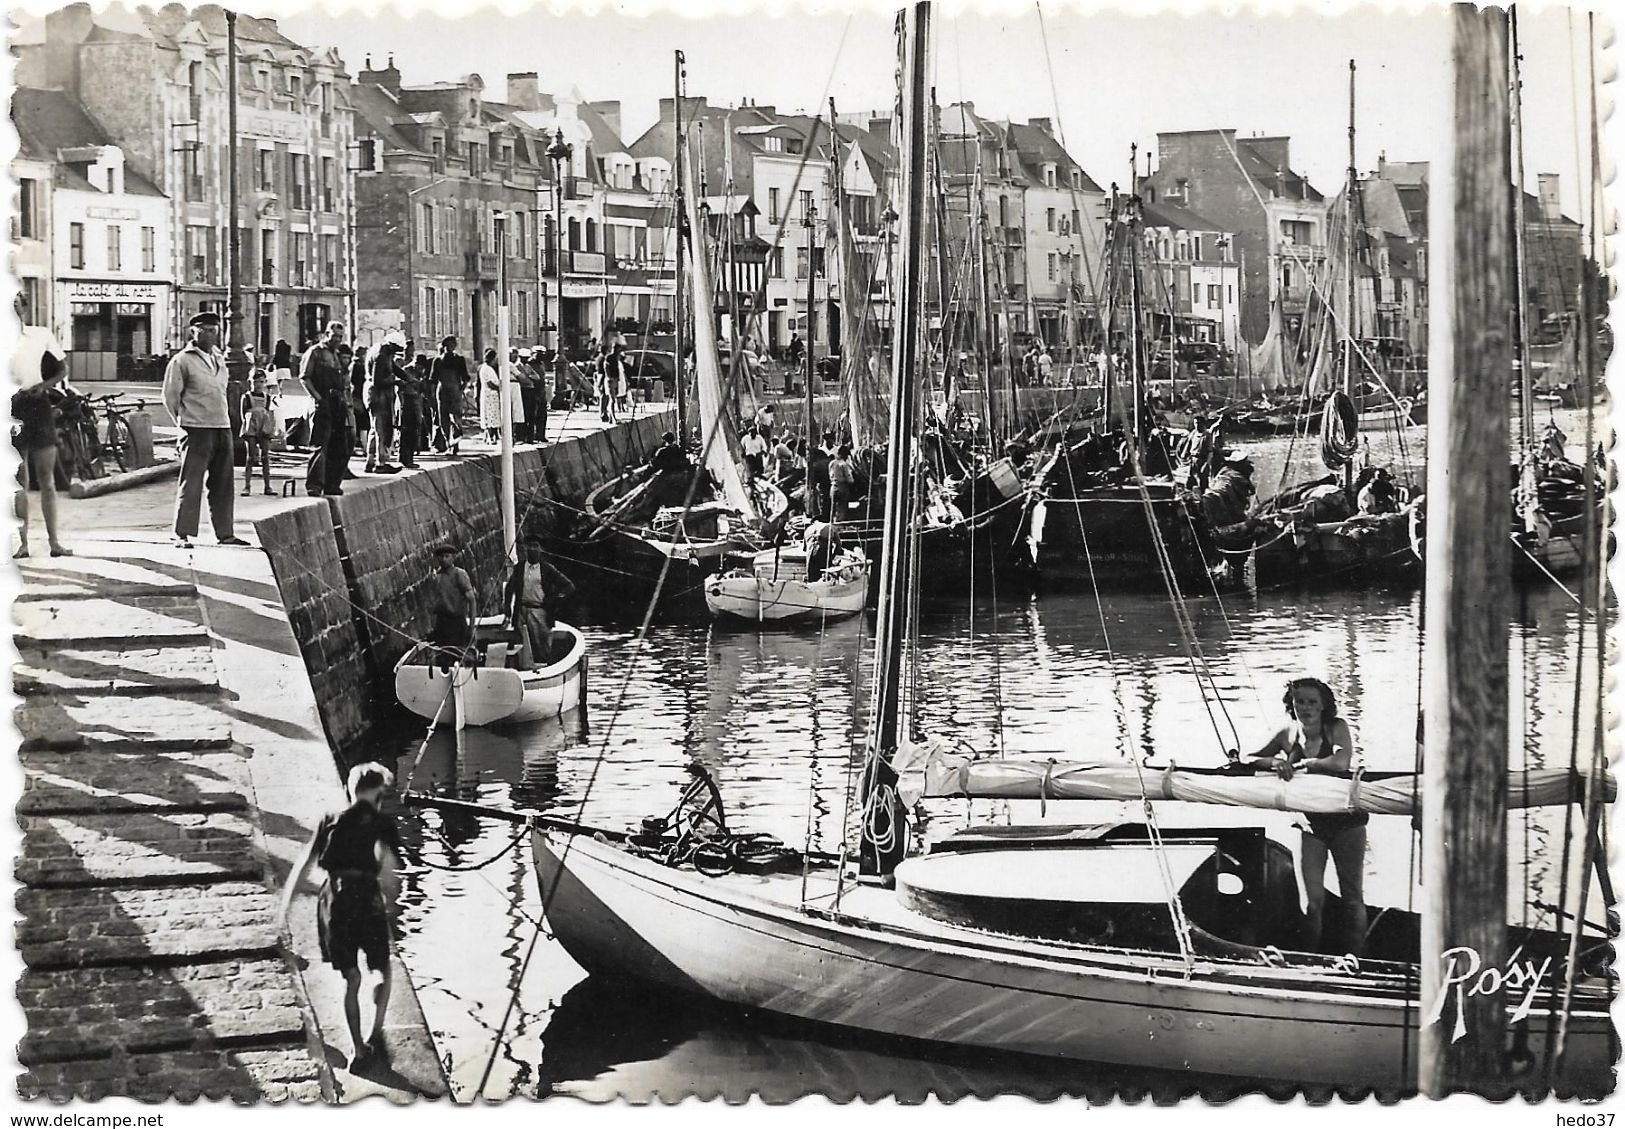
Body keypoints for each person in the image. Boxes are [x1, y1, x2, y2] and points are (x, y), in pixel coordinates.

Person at [280, 762, 402, 1071]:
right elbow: (389, 876)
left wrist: (285, 907)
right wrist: (391, 906)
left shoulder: (329, 820)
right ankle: (375, 1035)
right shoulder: (380, 823)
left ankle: (357, 1050)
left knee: (351, 978)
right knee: (382, 971)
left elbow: (303, 865)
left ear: (350, 790)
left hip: (335, 903)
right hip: (367, 902)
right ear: (378, 794)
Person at [1241, 677, 1367, 957]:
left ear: (1323, 705)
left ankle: (1356, 961)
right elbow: (1249, 757)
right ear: (1291, 704)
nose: (1305, 707)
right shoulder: (1287, 732)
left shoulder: (1336, 728)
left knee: (1352, 899)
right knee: (1310, 902)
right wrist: (1275, 762)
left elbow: (1341, 762)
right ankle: (1310, 960)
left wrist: (1307, 765)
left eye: (1312, 702)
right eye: (1300, 701)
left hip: (1346, 821)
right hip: (1310, 824)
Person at [163, 311, 247, 549]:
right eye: (205, 330)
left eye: (214, 330)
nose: (211, 334)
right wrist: (183, 425)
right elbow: (170, 397)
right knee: (192, 482)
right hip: (196, 429)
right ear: (194, 332)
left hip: (221, 426)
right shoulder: (182, 361)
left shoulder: (219, 359)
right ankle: (181, 533)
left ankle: (225, 533)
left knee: (223, 483)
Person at [13, 349, 71, 558]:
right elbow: (63, 370)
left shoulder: (38, 344)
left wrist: (43, 386)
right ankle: (25, 544)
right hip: (15, 412)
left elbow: (63, 369)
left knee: (44, 482)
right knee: (21, 484)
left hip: (37, 410)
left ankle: (52, 543)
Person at [503, 535, 576, 670]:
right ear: (525, 549)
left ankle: (543, 669)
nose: (532, 550)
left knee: (541, 644)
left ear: (541, 550)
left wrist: (555, 599)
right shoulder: (519, 568)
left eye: (536, 546)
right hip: (522, 611)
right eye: (529, 546)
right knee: (522, 643)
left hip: (540, 611)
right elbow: (510, 588)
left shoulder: (547, 569)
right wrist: (507, 607)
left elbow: (568, 586)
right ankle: (524, 669)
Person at [300, 321, 351, 497]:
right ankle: (314, 485)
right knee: (319, 445)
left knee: (339, 446)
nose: (336, 339)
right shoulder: (315, 352)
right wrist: (318, 399)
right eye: (333, 335)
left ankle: (332, 484)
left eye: (339, 336)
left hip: (337, 403)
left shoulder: (336, 355)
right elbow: (305, 378)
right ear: (326, 334)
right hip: (322, 403)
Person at [426, 542, 478, 671]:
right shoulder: (437, 577)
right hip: (441, 624)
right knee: (442, 659)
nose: (443, 560)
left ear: (453, 557)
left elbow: (472, 600)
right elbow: (435, 605)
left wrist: (472, 627)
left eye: (447, 556)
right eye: (441, 557)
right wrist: (433, 627)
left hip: (456, 623)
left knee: (458, 658)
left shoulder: (459, 574)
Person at [363, 334, 402, 473]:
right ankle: (381, 463)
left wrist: (408, 378)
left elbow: (395, 368)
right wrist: (395, 381)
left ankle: (370, 461)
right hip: (378, 395)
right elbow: (377, 381)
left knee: (375, 428)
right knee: (382, 429)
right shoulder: (381, 355)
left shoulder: (383, 351)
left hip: (375, 394)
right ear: (391, 345)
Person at [239, 369, 276, 496]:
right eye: (256, 382)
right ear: (251, 383)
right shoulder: (247, 397)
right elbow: (242, 414)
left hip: (264, 426)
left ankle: (267, 486)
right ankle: (247, 486)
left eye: (261, 382)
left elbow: (267, 411)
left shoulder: (267, 397)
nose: (259, 384)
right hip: (251, 426)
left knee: (265, 457)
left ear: (265, 382)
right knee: (250, 457)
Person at [431, 337, 469, 454]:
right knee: (443, 419)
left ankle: (455, 443)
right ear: (444, 347)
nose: (449, 348)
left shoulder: (459, 360)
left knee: (456, 417)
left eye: (452, 345)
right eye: (447, 346)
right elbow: (433, 379)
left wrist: (462, 387)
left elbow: (465, 377)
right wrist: (433, 395)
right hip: (443, 391)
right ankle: (448, 442)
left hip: (454, 390)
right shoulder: (438, 361)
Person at [395, 351, 425, 470]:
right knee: (406, 431)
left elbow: (422, 390)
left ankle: (410, 457)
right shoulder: (406, 371)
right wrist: (401, 404)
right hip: (406, 402)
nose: (420, 369)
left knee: (415, 431)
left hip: (416, 403)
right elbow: (400, 389)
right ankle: (405, 458)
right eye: (419, 366)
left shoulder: (420, 373)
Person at [478, 348, 504, 444]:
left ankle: (492, 436)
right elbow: (490, 383)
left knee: (493, 415)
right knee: (490, 415)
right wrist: (500, 388)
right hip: (489, 394)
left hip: (493, 395)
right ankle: (490, 437)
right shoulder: (486, 369)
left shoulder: (489, 368)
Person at [803, 518, 840, 582]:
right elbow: (838, 545)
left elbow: (804, 549)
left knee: (811, 575)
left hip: (810, 550)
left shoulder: (808, 530)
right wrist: (832, 557)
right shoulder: (829, 526)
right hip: (823, 548)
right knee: (824, 573)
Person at [828, 443, 856, 519]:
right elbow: (850, 479)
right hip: (842, 488)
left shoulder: (831, 463)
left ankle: (832, 523)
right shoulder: (844, 464)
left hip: (833, 487)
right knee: (842, 508)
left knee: (833, 508)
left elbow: (830, 476)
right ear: (845, 455)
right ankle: (839, 524)